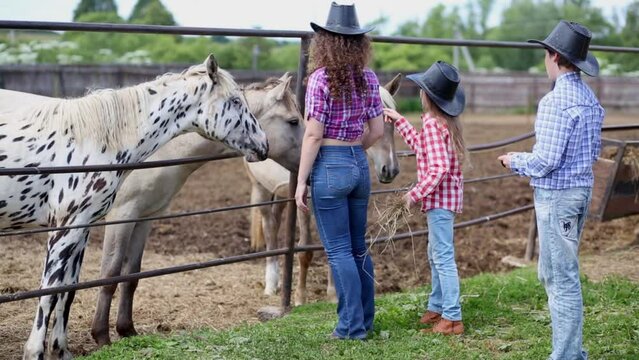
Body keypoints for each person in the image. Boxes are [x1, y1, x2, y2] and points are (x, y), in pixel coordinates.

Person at [497, 20, 604, 360]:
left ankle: (568, 355)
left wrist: (514, 160)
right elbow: (594, 152)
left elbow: (545, 161)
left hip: (558, 197)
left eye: (545, 55)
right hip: (579, 191)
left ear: (554, 56)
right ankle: (570, 349)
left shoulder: (554, 102)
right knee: (553, 271)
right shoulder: (589, 99)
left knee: (561, 279)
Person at [294, 2, 384, 340]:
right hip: (358, 165)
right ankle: (365, 320)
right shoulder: (369, 78)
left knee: (339, 251)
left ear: (326, 42)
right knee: (359, 247)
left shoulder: (320, 79)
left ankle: (350, 327)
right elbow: (376, 132)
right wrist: (352, 152)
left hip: (329, 166)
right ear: (359, 43)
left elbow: (313, 134)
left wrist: (302, 180)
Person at [383, 61, 467, 335]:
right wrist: (401, 122)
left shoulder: (432, 124)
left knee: (442, 257)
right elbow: (423, 149)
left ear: (426, 95)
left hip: (439, 203)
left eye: (421, 90)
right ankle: (437, 305)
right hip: (445, 202)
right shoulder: (443, 123)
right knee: (436, 254)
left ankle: (452, 317)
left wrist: (412, 195)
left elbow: (438, 168)